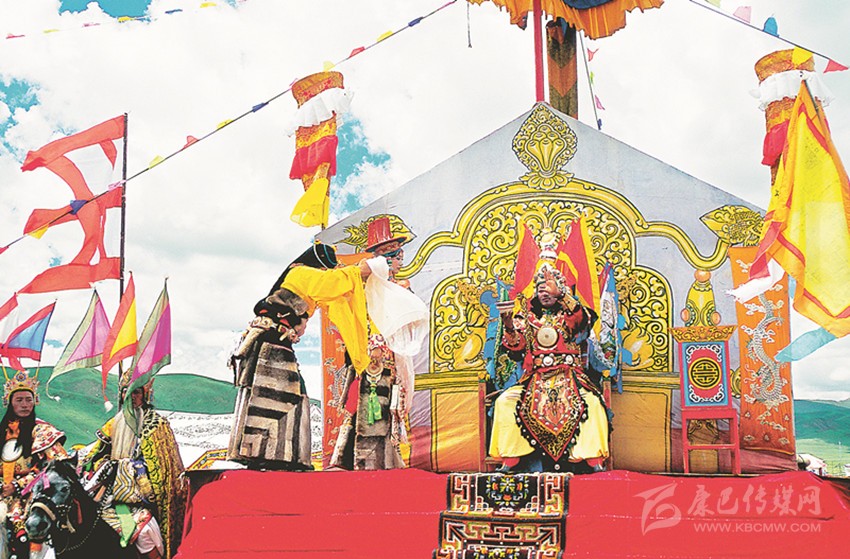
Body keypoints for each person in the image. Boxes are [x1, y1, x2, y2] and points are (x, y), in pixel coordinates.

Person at [228, 242, 373, 470]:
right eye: (324, 269)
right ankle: (269, 455)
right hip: (272, 343)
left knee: (281, 397)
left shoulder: (299, 279)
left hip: (273, 341)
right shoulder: (301, 273)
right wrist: (358, 272)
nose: (324, 273)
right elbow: (332, 283)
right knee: (279, 398)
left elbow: (333, 297)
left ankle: (272, 454)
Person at [489, 252, 610, 473]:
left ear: (560, 289)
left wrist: (562, 294)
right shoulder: (527, 317)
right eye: (540, 289)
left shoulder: (571, 313)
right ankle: (510, 458)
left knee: (592, 403)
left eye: (549, 289)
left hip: (569, 377)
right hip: (535, 379)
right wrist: (508, 325)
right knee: (505, 402)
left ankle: (593, 459)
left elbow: (582, 322)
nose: (544, 293)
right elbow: (517, 348)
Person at [331, 217, 423, 470]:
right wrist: (374, 344)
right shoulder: (367, 287)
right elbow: (364, 318)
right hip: (372, 352)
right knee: (368, 402)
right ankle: (361, 459)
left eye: (399, 255)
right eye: (395, 256)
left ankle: (385, 458)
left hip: (393, 353)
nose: (399, 261)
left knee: (390, 403)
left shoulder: (398, 287)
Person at [79, 382, 186, 559]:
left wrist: (137, 469)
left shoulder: (155, 424)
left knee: (145, 533)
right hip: (111, 493)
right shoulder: (113, 423)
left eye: (136, 392)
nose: (131, 397)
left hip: (143, 495)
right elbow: (96, 454)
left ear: (145, 395)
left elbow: (162, 465)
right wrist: (99, 465)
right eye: (126, 393)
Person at [0, 370, 67, 559]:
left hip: (32, 493)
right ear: (10, 403)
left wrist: (18, 485)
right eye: (19, 400)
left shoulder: (42, 431)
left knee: (30, 528)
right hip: (2, 492)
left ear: (34, 401)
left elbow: (55, 466)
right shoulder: (1, 432)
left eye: (28, 400)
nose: (24, 404)